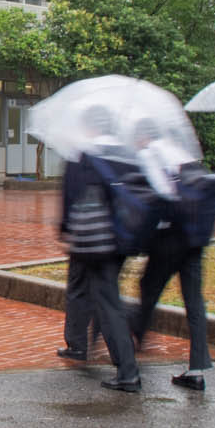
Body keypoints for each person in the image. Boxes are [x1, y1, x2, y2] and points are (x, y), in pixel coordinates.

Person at [130, 125, 215, 392]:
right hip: (195, 237)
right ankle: (197, 369)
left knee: (148, 288)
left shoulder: (151, 156)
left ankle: (134, 344)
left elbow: (154, 199)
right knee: (194, 302)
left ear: (145, 136)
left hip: (169, 239)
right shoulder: (186, 156)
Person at [59, 139, 139, 392]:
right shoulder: (124, 153)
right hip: (120, 237)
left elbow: (70, 194)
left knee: (104, 302)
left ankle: (127, 370)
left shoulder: (82, 155)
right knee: (104, 296)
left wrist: (65, 230)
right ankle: (85, 346)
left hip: (91, 238)